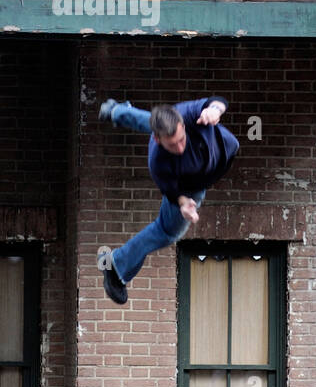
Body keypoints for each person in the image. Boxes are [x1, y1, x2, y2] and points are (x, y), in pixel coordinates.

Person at [97, 95, 239, 304]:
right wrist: (184, 204)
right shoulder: (159, 163)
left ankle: (116, 111)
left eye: (181, 140)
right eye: (173, 145)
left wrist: (215, 110)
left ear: (183, 125)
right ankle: (115, 265)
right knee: (166, 232)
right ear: (158, 141)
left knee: (160, 120)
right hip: (192, 186)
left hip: (218, 149)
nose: (179, 148)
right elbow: (172, 192)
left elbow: (217, 101)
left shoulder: (188, 115)